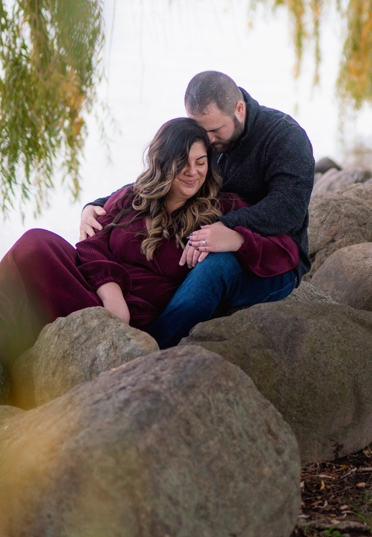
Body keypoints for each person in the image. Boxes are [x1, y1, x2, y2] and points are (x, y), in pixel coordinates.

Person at [0, 117, 299, 370]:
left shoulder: (220, 210)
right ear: (163, 162)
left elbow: (286, 250)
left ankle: (9, 349)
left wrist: (236, 239)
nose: (193, 173)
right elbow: (91, 245)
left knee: (33, 291)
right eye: (183, 163)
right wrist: (111, 292)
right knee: (35, 241)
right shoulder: (132, 197)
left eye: (201, 162)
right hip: (99, 295)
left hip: (136, 324)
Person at [81, 71, 315, 348]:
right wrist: (97, 206)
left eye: (216, 131)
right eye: (201, 130)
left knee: (213, 268)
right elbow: (166, 173)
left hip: (273, 257)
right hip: (215, 235)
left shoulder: (286, 138)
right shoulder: (208, 132)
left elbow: (288, 210)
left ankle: (150, 350)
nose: (209, 139)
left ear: (239, 109)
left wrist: (229, 227)